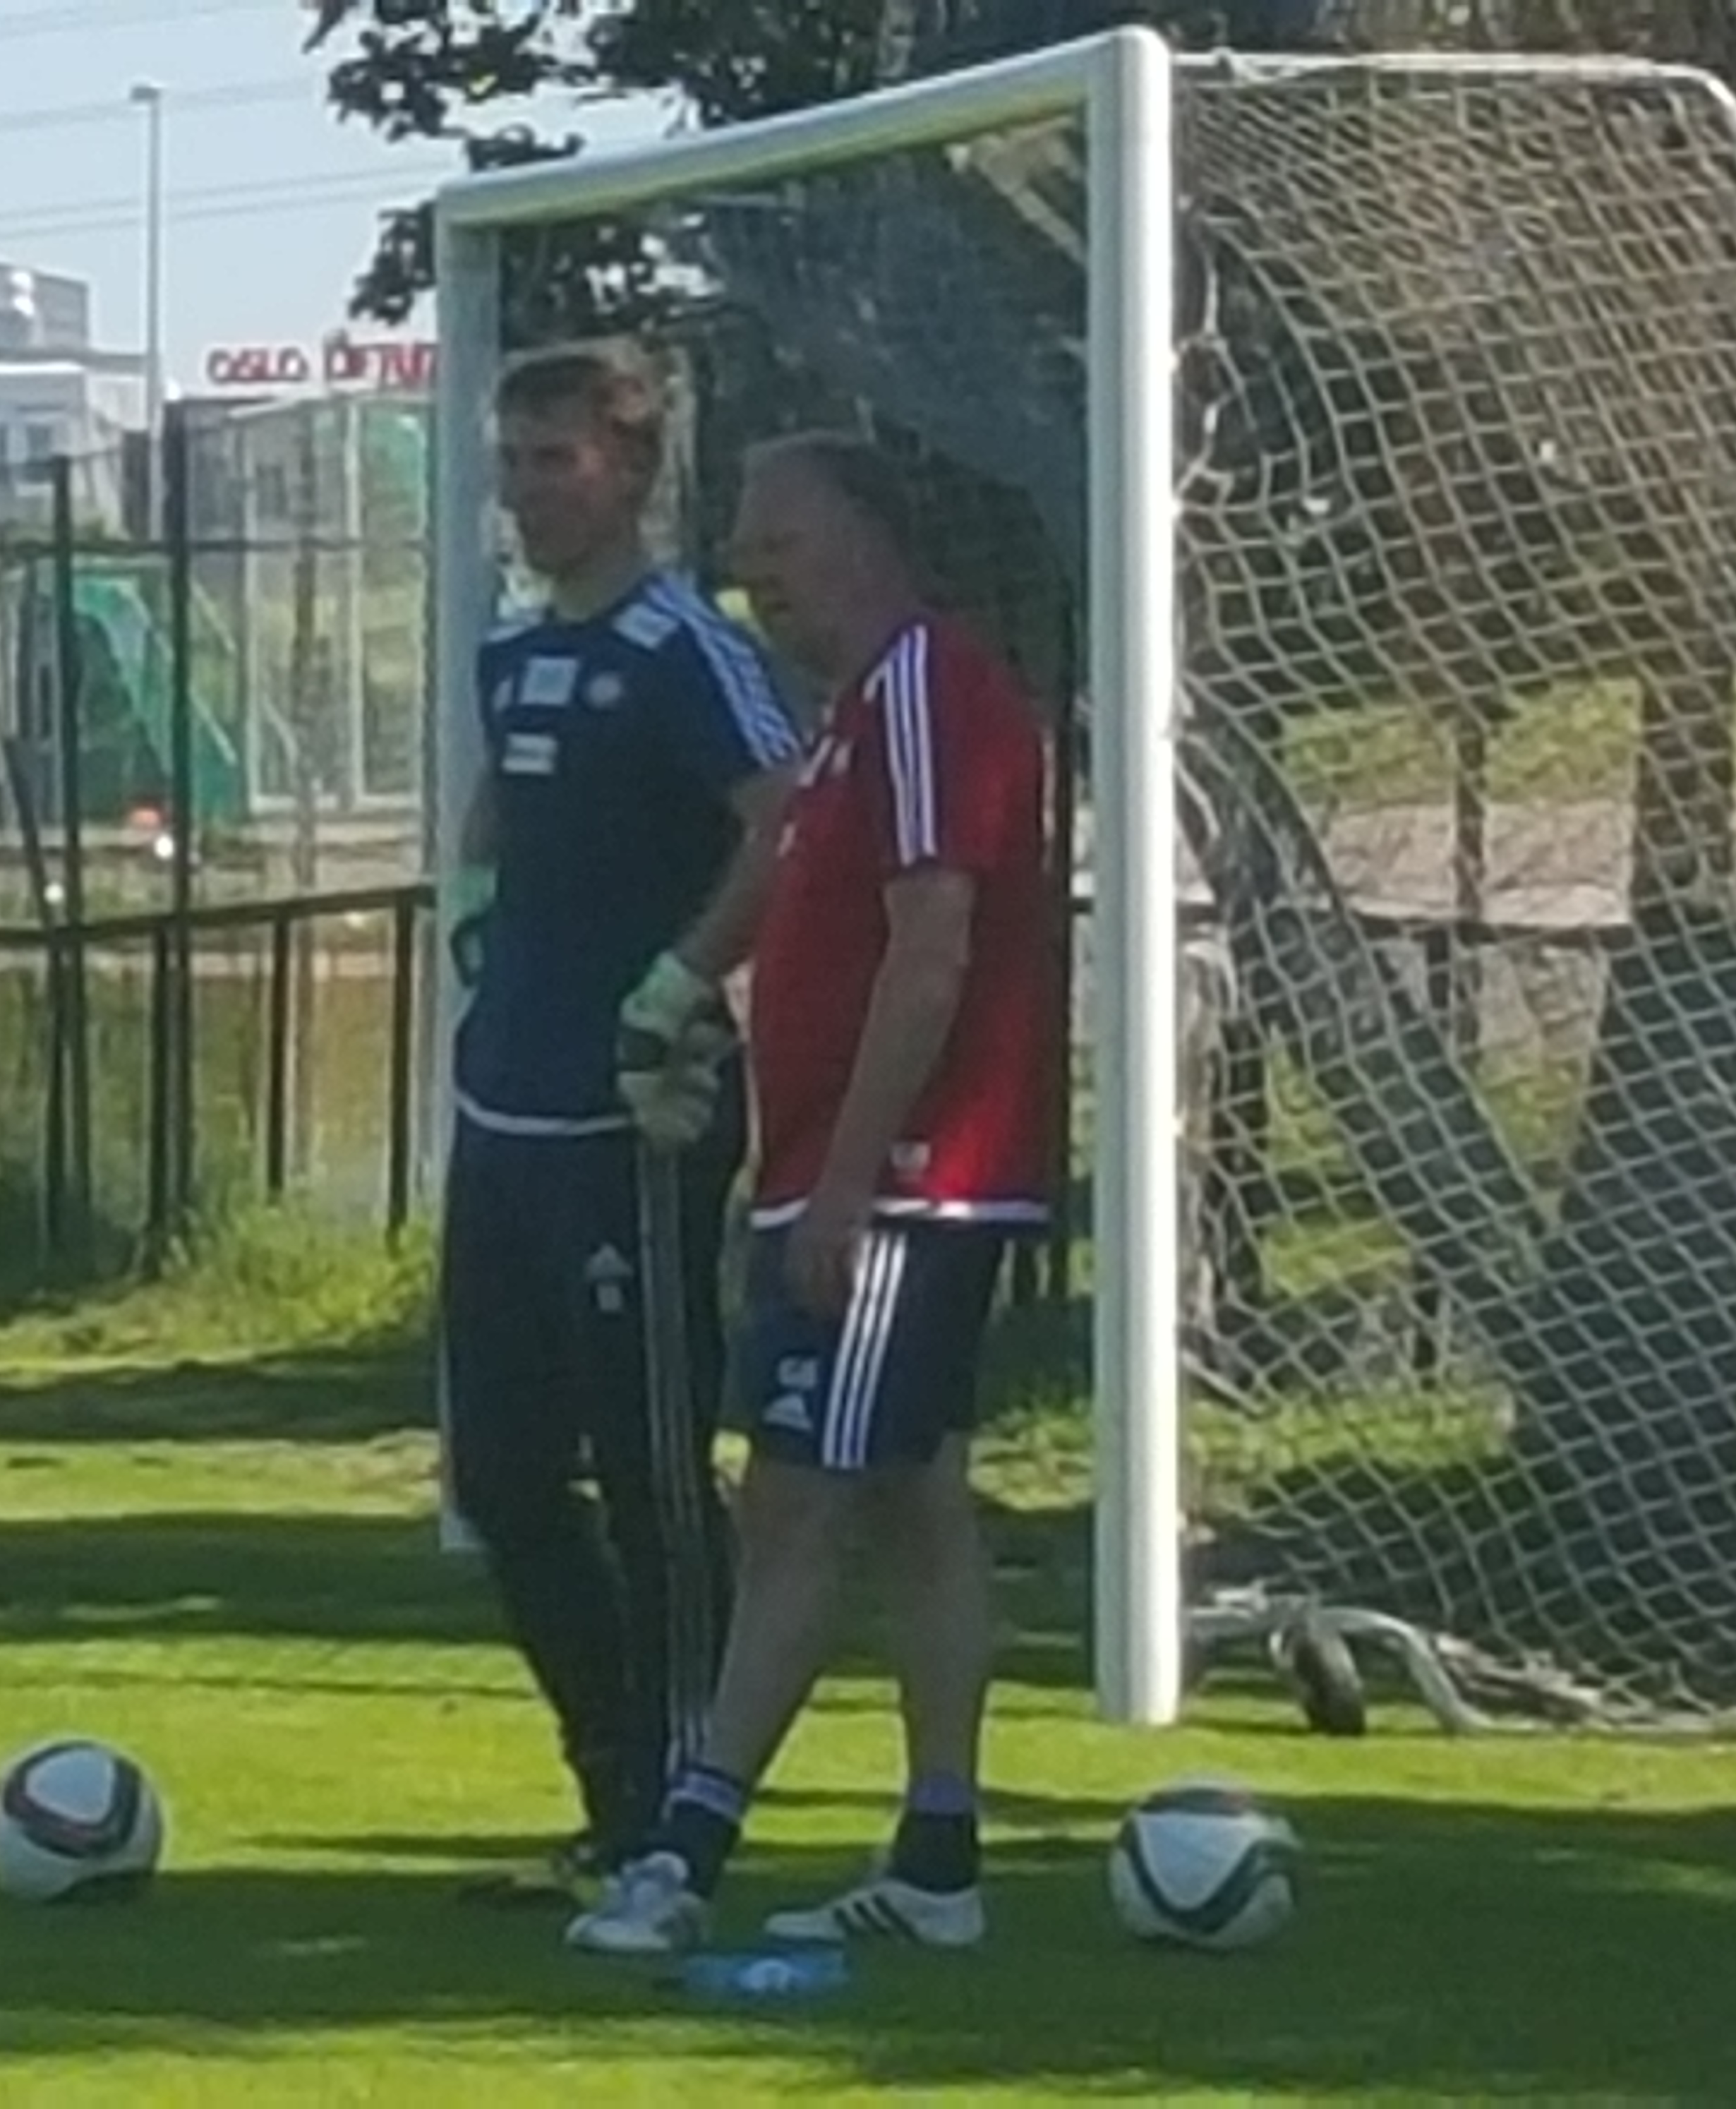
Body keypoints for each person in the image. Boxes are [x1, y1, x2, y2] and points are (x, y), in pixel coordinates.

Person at [567, 430, 1053, 1957]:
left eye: (779, 533)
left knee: (797, 1501)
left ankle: (684, 1852)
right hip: (849, 1179)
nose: (755, 566)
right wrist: (692, 1004)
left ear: (864, 530)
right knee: (912, 1503)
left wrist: (849, 1183)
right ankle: (938, 1859)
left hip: (905, 1186)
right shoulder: (850, 721)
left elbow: (933, 945)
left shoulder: (921, 687)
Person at [440, 340, 807, 1901]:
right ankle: (610, 1787)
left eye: (556, 463)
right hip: (499, 1114)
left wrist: (676, 986)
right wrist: (473, 909)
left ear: (632, 473)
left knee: (652, 1466)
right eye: (513, 463)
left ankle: (687, 1802)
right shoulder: (512, 656)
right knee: (503, 1481)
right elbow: (501, 821)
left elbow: (783, 821)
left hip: (632, 1131)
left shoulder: (683, 651)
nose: (527, 494)